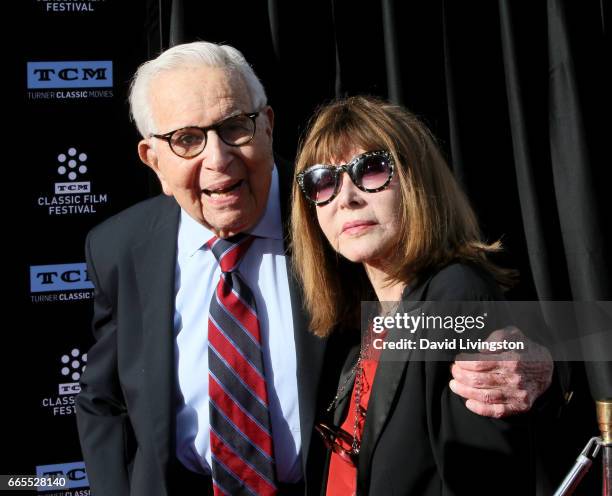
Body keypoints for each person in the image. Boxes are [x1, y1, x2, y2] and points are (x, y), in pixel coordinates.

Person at [76, 42, 552, 496]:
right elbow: (104, 398)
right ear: (152, 159)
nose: (218, 159)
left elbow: (482, 313)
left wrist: (547, 360)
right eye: (186, 140)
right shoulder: (119, 248)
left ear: (266, 124)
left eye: (235, 126)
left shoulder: (337, 217)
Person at [291, 95, 540, 495]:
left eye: (370, 169)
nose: (346, 197)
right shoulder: (370, 323)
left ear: (416, 181)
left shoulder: (454, 292)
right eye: (324, 180)